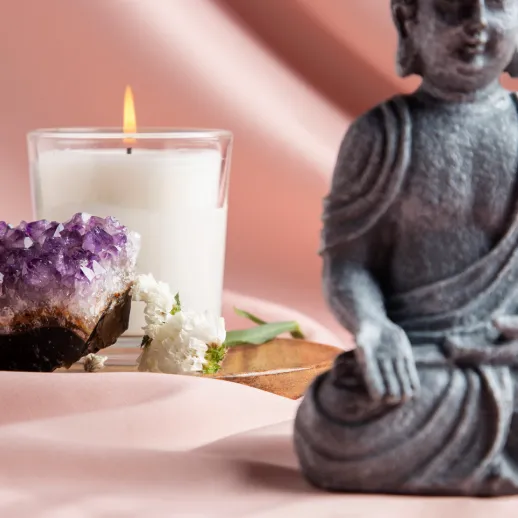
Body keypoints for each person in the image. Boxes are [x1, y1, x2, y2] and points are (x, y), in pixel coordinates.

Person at [294, 0, 518, 496]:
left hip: (509, 357)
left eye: (497, 4)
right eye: (454, 6)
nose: (478, 22)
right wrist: (373, 326)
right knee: (332, 415)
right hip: (419, 362)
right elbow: (348, 265)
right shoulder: (381, 136)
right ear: (407, 20)